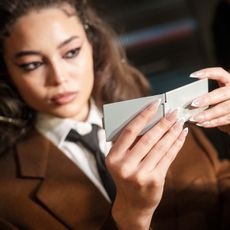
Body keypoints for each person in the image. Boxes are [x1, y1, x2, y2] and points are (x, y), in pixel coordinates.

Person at [0, 0, 229, 230]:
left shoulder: (170, 118)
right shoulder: (7, 196)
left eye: (71, 52)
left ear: (93, 47)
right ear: (7, 71)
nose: (59, 78)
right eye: (31, 65)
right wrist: (130, 215)